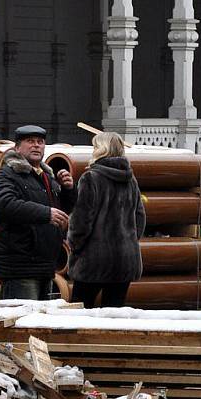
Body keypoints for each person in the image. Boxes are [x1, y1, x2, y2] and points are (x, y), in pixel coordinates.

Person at [0, 125, 76, 300]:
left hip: (45, 267)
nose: (36, 145)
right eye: (30, 141)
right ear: (17, 148)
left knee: (39, 324)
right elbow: (4, 204)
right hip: (20, 269)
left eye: (40, 142)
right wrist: (46, 213)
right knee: (21, 321)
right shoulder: (6, 175)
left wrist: (68, 190)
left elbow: (61, 211)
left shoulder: (47, 178)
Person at [67, 132, 146, 308]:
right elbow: (140, 217)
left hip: (93, 260)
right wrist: (129, 240)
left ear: (101, 149)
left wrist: (75, 245)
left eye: (95, 146)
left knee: (78, 313)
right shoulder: (130, 179)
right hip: (125, 260)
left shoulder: (91, 178)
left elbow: (81, 221)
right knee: (114, 315)